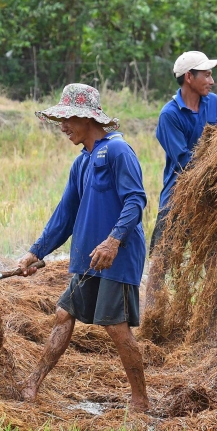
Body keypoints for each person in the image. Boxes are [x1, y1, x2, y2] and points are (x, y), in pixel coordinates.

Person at [16, 83, 150, 412]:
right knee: (64, 314)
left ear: (86, 118)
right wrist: (36, 252)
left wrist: (113, 240)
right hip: (90, 258)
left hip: (117, 256)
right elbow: (64, 215)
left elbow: (136, 201)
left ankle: (140, 400)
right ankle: (32, 384)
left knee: (116, 328)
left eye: (67, 120)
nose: (62, 127)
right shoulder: (82, 162)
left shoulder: (118, 151)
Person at [142, 51, 217, 334]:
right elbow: (183, 160)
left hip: (212, 197)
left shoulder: (216, 105)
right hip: (178, 197)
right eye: (206, 75)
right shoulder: (170, 115)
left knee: (215, 258)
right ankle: (150, 319)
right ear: (188, 77)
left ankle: (210, 323)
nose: (212, 81)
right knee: (162, 260)